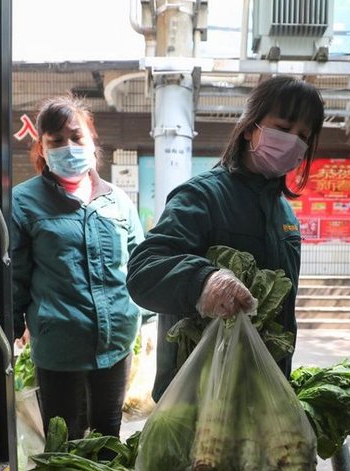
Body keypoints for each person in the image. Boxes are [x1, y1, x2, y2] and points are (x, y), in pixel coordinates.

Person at [126, 76, 325, 401]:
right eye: (284, 127)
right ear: (250, 127)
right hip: (198, 396)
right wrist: (203, 281)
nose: (293, 141)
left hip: (262, 394)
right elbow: (143, 272)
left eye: (303, 135)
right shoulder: (202, 196)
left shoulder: (284, 214)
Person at [10, 95, 144, 440]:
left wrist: (148, 319)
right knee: (63, 440)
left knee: (108, 436)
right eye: (56, 141)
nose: (68, 147)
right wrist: (11, 325)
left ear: (92, 139)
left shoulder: (118, 200)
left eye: (76, 137)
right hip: (59, 348)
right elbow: (15, 276)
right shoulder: (23, 202)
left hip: (116, 344)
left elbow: (139, 263)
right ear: (42, 147)